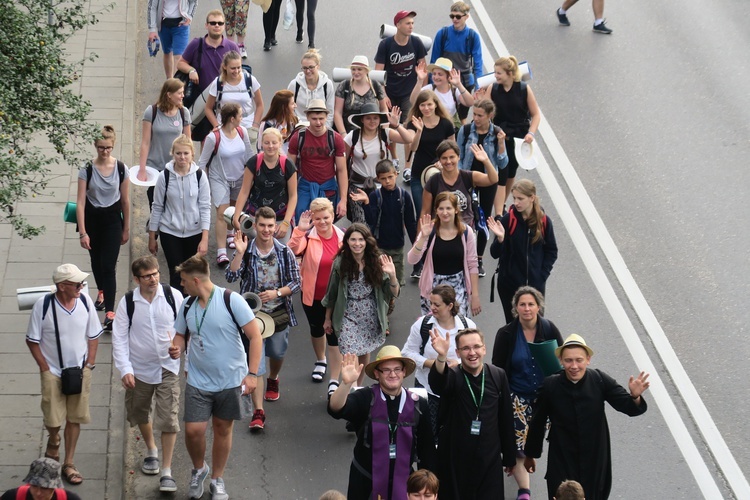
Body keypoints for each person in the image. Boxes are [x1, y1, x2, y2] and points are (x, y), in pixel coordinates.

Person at [168, 255, 262, 500]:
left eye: (184, 280)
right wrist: (176, 346)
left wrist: (252, 374)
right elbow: (180, 334)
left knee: (222, 429)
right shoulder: (187, 305)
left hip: (230, 380)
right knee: (193, 431)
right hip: (198, 380)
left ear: (196, 280)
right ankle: (199, 469)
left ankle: (217, 479)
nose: (181, 285)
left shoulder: (232, 300)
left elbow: (256, 337)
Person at [524, 334, 650, 500]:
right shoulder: (550, 386)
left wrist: (635, 396)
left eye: (579, 360)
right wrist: (530, 454)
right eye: (569, 360)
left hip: (594, 460)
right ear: (561, 361)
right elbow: (538, 422)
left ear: (588, 360)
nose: (574, 366)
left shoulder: (599, 380)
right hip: (563, 458)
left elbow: (628, 407)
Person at [111, 256, 184, 493]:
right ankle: (151, 449)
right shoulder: (128, 302)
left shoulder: (173, 296)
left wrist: (179, 347)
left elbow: (185, 329)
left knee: (168, 417)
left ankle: (166, 471)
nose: (153, 279)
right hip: (139, 368)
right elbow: (119, 337)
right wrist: (125, 369)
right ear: (136, 279)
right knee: (140, 410)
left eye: (155, 274)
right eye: (147, 276)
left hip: (168, 367)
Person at [226, 206, 302, 430]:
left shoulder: (283, 251)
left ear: (275, 227)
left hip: (278, 311)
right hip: (252, 315)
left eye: (270, 226)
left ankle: (274, 377)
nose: (266, 230)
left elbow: (296, 283)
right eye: (262, 225)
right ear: (255, 225)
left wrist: (276, 293)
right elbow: (231, 276)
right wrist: (239, 252)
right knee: (256, 364)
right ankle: (258, 412)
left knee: (277, 352)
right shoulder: (246, 249)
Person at [26, 264, 102, 486]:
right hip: (53, 371)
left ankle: (68, 463)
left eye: (81, 283)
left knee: (74, 416)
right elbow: (32, 339)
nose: (81, 286)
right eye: (76, 283)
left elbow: (94, 334)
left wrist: (90, 364)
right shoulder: (44, 305)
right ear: (61, 286)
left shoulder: (85, 301)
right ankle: (54, 439)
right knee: (52, 416)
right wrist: (44, 367)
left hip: (79, 370)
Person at [328, 347, 437, 499]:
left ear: (404, 372)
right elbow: (336, 409)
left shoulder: (419, 405)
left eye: (397, 369)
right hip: (365, 482)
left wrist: (427, 489)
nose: (393, 374)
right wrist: (346, 384)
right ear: (377, 374)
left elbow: (427, 451)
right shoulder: (365, 398)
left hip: (404, 483)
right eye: (386, 370)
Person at [491, 287, 563, 500]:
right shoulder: (506, 334)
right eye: (522, 304)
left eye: (531, 304)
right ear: (515, 308)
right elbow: (498, 367)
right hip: (517, 397)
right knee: (519, 446)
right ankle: (525, 492)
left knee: (540, 440)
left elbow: (561, 358)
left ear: (538, 307)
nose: (526, 308)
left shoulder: (549, 329)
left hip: (545, 397)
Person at [428, 328, 516, 500]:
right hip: (456, 459)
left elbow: (506, 418)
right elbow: (438, 384)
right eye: (466, 348)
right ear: (458, 352)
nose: (472, 352)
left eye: (476, 347)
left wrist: (510, 456)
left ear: (484, 349)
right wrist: (441, 357)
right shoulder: (453, 376)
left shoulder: (498, 375)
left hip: (489, 458)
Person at [322, 223, 399, 393]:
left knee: (364, 352)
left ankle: (358, 389)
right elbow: (332, 293)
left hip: (370, 313)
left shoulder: (377, 260)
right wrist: (327, 318)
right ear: (347, 241)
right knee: (350, 352)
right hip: (347, 314)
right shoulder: (340, 263)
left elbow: (392, 292)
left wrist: (392, 275)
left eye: (361, 240)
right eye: (353, 239)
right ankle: (353, 389)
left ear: (367, 241)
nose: (357, 243)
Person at [402, 284, 475, 439]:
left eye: (437, 304)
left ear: (449, 306)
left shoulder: (468, 326)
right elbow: (407, 353)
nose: (432, 308)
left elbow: (476, 355)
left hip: (458, 390)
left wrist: (459, 364)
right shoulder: (422, 324)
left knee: (456, 435)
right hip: (427, 389)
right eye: (431, 303)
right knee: (427, 435)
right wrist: (432, 364)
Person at [76, 125, 130, 331]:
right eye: (101, 147)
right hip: (92, 220)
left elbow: (125, 200)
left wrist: (126, 228)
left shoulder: (121, 169)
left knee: (108, 265)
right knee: (96, 262)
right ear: (95, 146)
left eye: (108, 147)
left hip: (112, 221)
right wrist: (83, 232)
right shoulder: (86, 169)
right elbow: (80, 202)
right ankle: (101, 290)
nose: (104, 151)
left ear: (113, 145)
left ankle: (110, 311)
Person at [287, 198, 345, 384]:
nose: (322, 222)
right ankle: (321, 360)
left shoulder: (343, 236)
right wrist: (300, 230)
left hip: (336, 298)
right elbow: (291, 251)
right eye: (317, 219)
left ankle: (335, 379)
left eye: (326, 217)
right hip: (313, 296)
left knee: (334, 335)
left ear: (332, 216)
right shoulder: (307, 237)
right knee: (317, 329)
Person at [488, 178, 558, 323]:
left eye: (520, 198)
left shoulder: (544, 221)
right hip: (510, 286)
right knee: (514, 326)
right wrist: (500, 239)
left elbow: (551, 251)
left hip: (535, 287)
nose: (516, 203)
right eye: (514, 198)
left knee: (536, 326)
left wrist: (541, 275)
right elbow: (494, 253)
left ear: (532, 198)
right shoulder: (508, 220)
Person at [477, 56, 540, 214]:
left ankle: (502, 203)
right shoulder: (493, 88)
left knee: (510, 171)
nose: (495, 76)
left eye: (499, 73)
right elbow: (484, 112)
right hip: (498, 135)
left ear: (510, 74)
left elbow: (536, 114)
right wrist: (479, 101)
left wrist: (531, 133)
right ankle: (498, 209)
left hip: (518, 137)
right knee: (500, 172)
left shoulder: (524, 89)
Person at [148, 135, 211, 292]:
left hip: (194, 232)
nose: (182, 157)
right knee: (176, 274)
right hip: (170, 232)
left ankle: (191, 307)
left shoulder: (200, 176)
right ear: (173, 153)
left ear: (192, 155)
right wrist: (152, 237)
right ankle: (176, 310)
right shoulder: (165, 176)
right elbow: (157, 207)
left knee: (191, 274)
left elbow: (205, 207)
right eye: (178, 153)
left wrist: (205, 238)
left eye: (186, 153)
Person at [456, 99, 508, 276]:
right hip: (469, 178)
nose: (475, 118)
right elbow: (459, 155)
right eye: (474, 114)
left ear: (490, 116)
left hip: (488, 180)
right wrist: (461, 177)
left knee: (484, 219)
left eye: (480, 115)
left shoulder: (497, 133)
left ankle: (478, 258)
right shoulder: (465, 130)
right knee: (464, 216)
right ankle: (464, 254)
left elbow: (503, 163)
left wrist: (501, 144)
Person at [404, 90, 455, 270]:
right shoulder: (414, 123)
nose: (426, 108)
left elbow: (453, 149)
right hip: (419, 176)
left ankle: (439, 255)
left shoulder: (446, 124)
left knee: (441, 214)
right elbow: (414, 147)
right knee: (423, 215)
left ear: (436, 104)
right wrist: (418, 131)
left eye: (429, 104)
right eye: (422, 105)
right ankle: (419, 260)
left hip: (441, 176)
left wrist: (444, 163)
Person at [407, 192, 480, 317]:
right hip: (433, 287)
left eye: (448, 208)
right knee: (433, 330)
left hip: (458, 287)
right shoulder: (429, 231)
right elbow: (412, 259)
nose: (444, 212)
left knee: (458, 329)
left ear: (456, 210)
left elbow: (472, 264)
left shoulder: (467, 232)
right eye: (441, 208)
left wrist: (475, 296)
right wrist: (423, 237)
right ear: (436, 210)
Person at [197, 103, 251, 268]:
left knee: (234, 211)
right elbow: (202, 162)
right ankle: (221, 251)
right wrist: (201, 184)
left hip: (239, 177)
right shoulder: (214, 137)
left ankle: (230, 234)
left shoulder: (242, 132)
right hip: (219, 178)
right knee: (222, 212)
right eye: (240, 116)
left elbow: (250, 155)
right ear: (232, 118)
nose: (242, 118)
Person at [375, 10, 428, 177]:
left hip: (409, 94)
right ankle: (395, 158)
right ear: (398, 25)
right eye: (407, 23)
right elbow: (377, 73)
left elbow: (422, 69)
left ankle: (407, 166)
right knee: (390, 126)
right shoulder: (386, 45)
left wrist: (422, 92)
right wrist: (383, 95)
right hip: (390, 92)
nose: (411, 26)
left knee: (407, 128)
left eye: (412, 23)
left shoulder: (417, 43)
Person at [353, 159, 417, 287]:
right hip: (379, 246)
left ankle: (391, 303)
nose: (387, 181)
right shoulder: (375, 196)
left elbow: (410, 222)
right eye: (383, 178)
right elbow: (371, 220)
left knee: (396, 281)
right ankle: (384, 305)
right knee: (379, 279)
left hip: (397, 246)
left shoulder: (404, 196)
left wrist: (416, 246)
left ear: (396, 174)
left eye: (390, 177)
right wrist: (366, 203)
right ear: (378, 179)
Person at [345, 104, 413, 223]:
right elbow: (342, 160)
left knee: (381, 221)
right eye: (368, 118)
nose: (372, 121)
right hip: (358, 185)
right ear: (362, 119)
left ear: (380, 119)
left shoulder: (385, 133)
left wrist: (397, 125)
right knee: (360, 222)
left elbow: (408, 139)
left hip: (381, 186)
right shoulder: (353, 136)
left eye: (375, 118)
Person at [233, 127, 298, 243]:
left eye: (274, 143)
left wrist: (286, 222)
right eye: (267, 143)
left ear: (280, 144)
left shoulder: (287, 164)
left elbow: (293, 196)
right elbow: (244, 191)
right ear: (261, 143)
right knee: (253, 251)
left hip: (280, 216)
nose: (270, 146)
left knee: (280, 253)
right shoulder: (253, 162)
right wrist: (236, 216)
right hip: (256, 216)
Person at [287, 98, 348, 221]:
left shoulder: (335, 138)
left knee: (325, 222)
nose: (318, 122)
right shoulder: (298, 137)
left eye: (321, 118)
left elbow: (341, 170)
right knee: (302, 223)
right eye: (314, 119)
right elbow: (289, 168)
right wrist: (289, 196)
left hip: (328, 187)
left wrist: (343, 200)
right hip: (305, 186)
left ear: (326, 117)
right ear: (308, 117)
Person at [421, 139, 499, 232]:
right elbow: (425, 213)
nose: (448, 161)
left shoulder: (468, 176)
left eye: (452, 157)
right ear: (439, 160)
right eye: (444, 158)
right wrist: (420, 240)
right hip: (441, 231)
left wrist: (486, 161)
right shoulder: (433, 182)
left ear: (458, 157)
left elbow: (493, 179)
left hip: (466, 231)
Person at [137, 78, 192, 207]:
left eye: (182, 92)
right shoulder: (152, 111)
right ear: (169, 94)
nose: (183, 96)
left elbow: (188, 144)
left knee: (174, 206)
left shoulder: (184, 113)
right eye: (179, 93)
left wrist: (190, 168)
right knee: (155, 205)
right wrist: (142, 169)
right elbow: (145, 142)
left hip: (176, 168)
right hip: (155, 168)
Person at [429, 1, 483, 122]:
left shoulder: (473, 36)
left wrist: (479, 88)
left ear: (466, 17)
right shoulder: (442, 34)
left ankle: (461, 139)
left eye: (458, 16)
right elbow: (434, 61)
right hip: (444, 80)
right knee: (442, 114)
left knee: (462, 117)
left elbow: (478, 65)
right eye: (452, 16)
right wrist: (430, 83)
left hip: (464, 81)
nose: (455, 19)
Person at [204, 50, 264, 146]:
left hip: (247, 126)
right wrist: (217, 126)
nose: (236, 71)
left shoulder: (250, 80)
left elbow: (260, 105)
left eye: (238, 67)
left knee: (248, 158)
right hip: (225, 127)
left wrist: (255, 126)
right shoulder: (218, 83)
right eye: (232, 68)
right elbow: (208, 108)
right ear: (225, 66)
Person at [176, 10, 240, 96]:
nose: (217, 25)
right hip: (200, 97)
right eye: (213, 23)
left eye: (220, 23)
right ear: (206, 25)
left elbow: (239, 71)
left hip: (226, 95)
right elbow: (180, 63)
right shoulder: (196, 44)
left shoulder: (232, 47)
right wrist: (191, 70)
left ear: (224, 26)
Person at [410, 58, 474, 130]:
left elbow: (470, 102)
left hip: (448, 129)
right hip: (430, 127)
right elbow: (413, 100)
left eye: (440, 74)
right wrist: (420, 80)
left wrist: (459, 84)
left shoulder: (454, 91)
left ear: (449, 76)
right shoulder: (429, 89)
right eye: (434, 74)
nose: (436, 77)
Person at [334, 55, 387, 135]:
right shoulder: (344, 86)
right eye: (353, 69)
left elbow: (384, 109)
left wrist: (384, 130)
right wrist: (343, 134)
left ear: (366, 71)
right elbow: (337, 112)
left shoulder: (376, 86)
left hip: (372, 133)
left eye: (359, 69)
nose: (356, 72)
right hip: (349, 133)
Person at [147, 0, 197, 79]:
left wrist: (189, 16)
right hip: (164, 24)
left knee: (179, 56)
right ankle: (169, 80)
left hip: (181, 25)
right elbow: (152, 7)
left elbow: (193, 1)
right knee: (167, 52)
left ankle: (176, 86)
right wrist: (152, 29)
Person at [287, 49, 335, 127]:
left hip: (320, 127)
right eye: (304, 68)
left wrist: (325, 130)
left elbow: (330, 111)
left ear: (318, 66)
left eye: (311, 67)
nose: (308, 71)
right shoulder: (294, 85)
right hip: (299, 126)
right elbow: (288, 109)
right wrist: (296, 126)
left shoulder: (327, 84)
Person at [0, 458, 82, 500]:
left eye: (45, 488)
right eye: (34, 486)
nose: (38, 493)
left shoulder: (70, 499)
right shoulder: (12, 497)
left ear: (55, 486)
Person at [257, 89, 299, 154]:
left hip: (292, 163)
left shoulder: (297, 123)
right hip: (274, 162)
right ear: (284, 107)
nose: (295, 106)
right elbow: (261, 149)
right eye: (292, 103)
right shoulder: (266, 125)